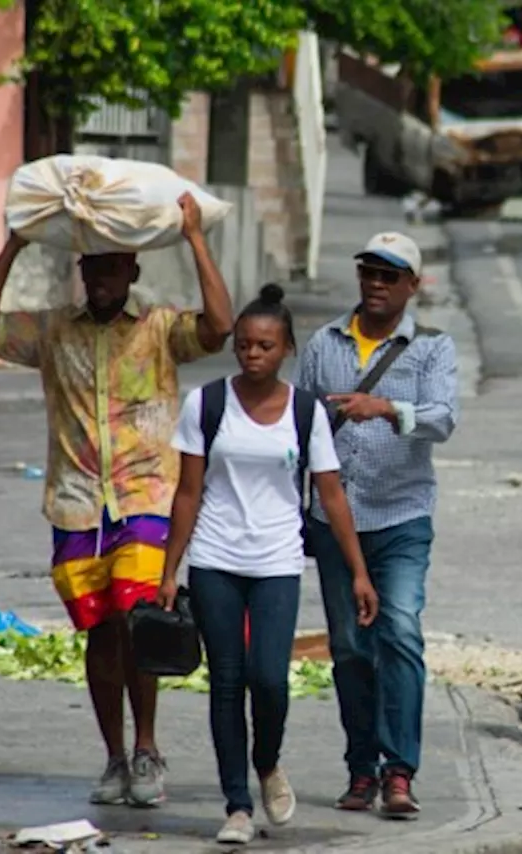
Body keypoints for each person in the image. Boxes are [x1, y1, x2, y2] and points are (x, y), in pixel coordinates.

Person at [0, 194, 234, 807]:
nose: (102, 279)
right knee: (101, 633)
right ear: (82, 275)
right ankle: (113, 756)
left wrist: (194, 238)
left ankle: (147, 748)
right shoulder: (55, 330)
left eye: (113, 268)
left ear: (133, 271)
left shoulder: (161, 328)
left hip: (145, 498)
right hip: (77, 504)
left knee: (142, 624)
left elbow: (219, 327)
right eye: (93, 269)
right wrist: (15, 244)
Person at [158, 284, 379, 844]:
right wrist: (169, 571)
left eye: (265, 346)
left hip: (278, 559)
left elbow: (330, 495)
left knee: (269, 679)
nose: (253, 354)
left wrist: (357, 571)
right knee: (227, 681)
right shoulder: (205, 405)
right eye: (245, 345)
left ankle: (268, 763)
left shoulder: (306, 413)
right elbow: (187, 493)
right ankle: (236, 804)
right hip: (215, 558)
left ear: (286, 350)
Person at [294, 232, 458, 819]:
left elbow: (442, 420)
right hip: (337, 524)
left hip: (401, 516)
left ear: (412, 286)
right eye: (370, 272)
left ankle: (400, 772)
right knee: (350, 648)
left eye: (391, 276)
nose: (377, 284)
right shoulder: (324, 344)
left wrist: (386, 407)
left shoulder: (432, 349)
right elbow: (298, 427)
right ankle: (361, 769)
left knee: (401, 632)